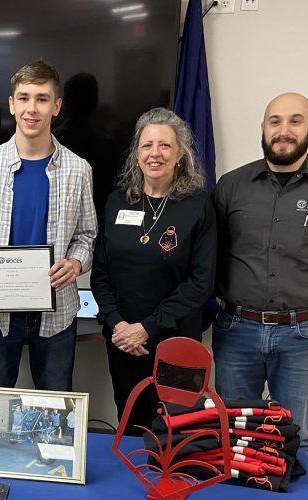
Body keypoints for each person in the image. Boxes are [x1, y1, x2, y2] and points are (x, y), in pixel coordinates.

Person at [212, 92, 308, 455]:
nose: (283, 130)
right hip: (237, 331)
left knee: (293, 436)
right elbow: (212, 254)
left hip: (302, 334)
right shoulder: (231, 187)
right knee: (234, 432)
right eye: (275, 121)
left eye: (295, 121)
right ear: (263, 129)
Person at [0, 60, 96, 392]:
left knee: (54, 412)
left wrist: (76, 262)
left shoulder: (78, 170)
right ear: (11, 104)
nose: (31, 109)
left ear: (57, 106)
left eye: (42, 98)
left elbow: (87, 235)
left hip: (56, 312)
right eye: (23, 98)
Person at [91, 107, 216, 431]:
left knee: (177, 428)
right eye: (147, 145)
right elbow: (101, 274)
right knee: (131, 424)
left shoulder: (198, 206)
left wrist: (146, 327)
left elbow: (201, 282)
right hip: (123, 343)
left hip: (176, 341)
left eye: (164, 146)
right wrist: (118, 324)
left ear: (180, 155)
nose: (155, 154)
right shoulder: (117, 202)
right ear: (136, 153)